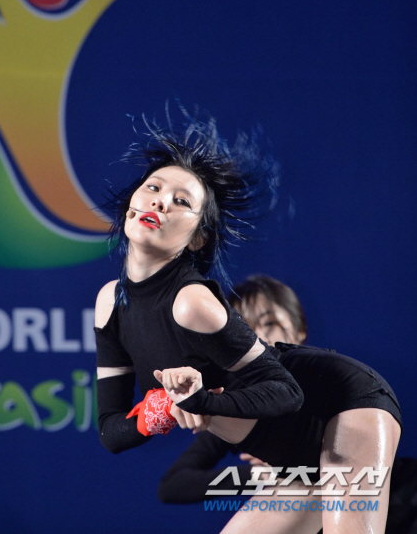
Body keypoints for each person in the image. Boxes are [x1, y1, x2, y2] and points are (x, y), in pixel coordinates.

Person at [95, 114, 402, 534]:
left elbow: (287, 392)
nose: (161, 201)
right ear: (132, 202)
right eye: (153, 187)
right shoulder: (110, 303)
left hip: (343, 404)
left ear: (197, 238)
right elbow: (113, 432)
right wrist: (161, 409)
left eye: (182, 201)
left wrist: (199, 401)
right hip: (289, 462)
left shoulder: (191, 302)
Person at [158, 276, 415, 534]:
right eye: (243, 327)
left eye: (269, 323)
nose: (257, 336)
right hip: (304, 498)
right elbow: (175, 484)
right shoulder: (242, 408)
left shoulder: (335, 382)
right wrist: (265, 474)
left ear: (299, 328)